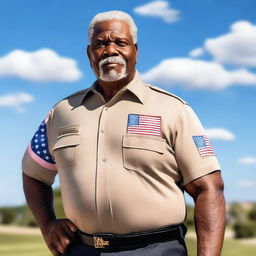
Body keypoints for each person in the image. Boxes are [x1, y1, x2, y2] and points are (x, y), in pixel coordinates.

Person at [22, 10, 226, 256]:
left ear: (135, 51)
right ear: (89, 53)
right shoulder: (62, 112)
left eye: (120, 42)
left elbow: (209, 188)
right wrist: (47, 225)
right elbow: (33, 173)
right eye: (100, 44)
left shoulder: (173, 109)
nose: (110, 51)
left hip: (156, 250)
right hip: (82, 250)